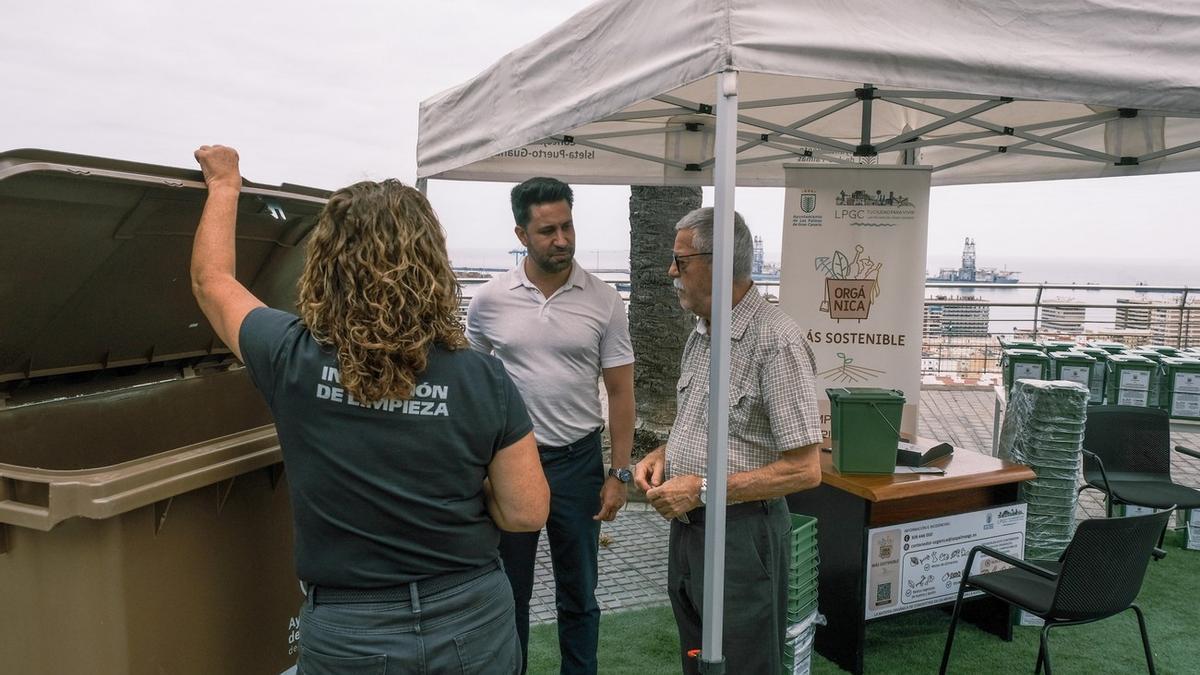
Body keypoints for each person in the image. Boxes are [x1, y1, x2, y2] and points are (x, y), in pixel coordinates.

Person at [189, 145, 548, 674]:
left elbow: (212, 282)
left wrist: (224, 185)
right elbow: (526, 511)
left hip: (351, 629)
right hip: (471, 616)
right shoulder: (481, 376)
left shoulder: (290, 354)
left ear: (326, 261)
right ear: (432, 261)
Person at [634, 207, 822, 675]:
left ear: (719, 262)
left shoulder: (776, 341)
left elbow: (804, 469)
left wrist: (699, 489)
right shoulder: (701, 334)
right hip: (690, 528)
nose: (670, 272)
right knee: (697, 657)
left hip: (742, 533)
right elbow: (703, 426)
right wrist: (663, 456)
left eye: (681, 261)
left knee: (744, 663)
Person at [466, 176, 636, 675]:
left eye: (567, 226)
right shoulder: (489, 301)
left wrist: (619, 474)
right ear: (521, 234)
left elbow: (622, 392)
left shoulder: (605, 299)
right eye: (547, 230)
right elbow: (471, 385)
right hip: (511, 463)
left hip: (579, 463)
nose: (561, 239)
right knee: (508, 593)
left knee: (580, 592)